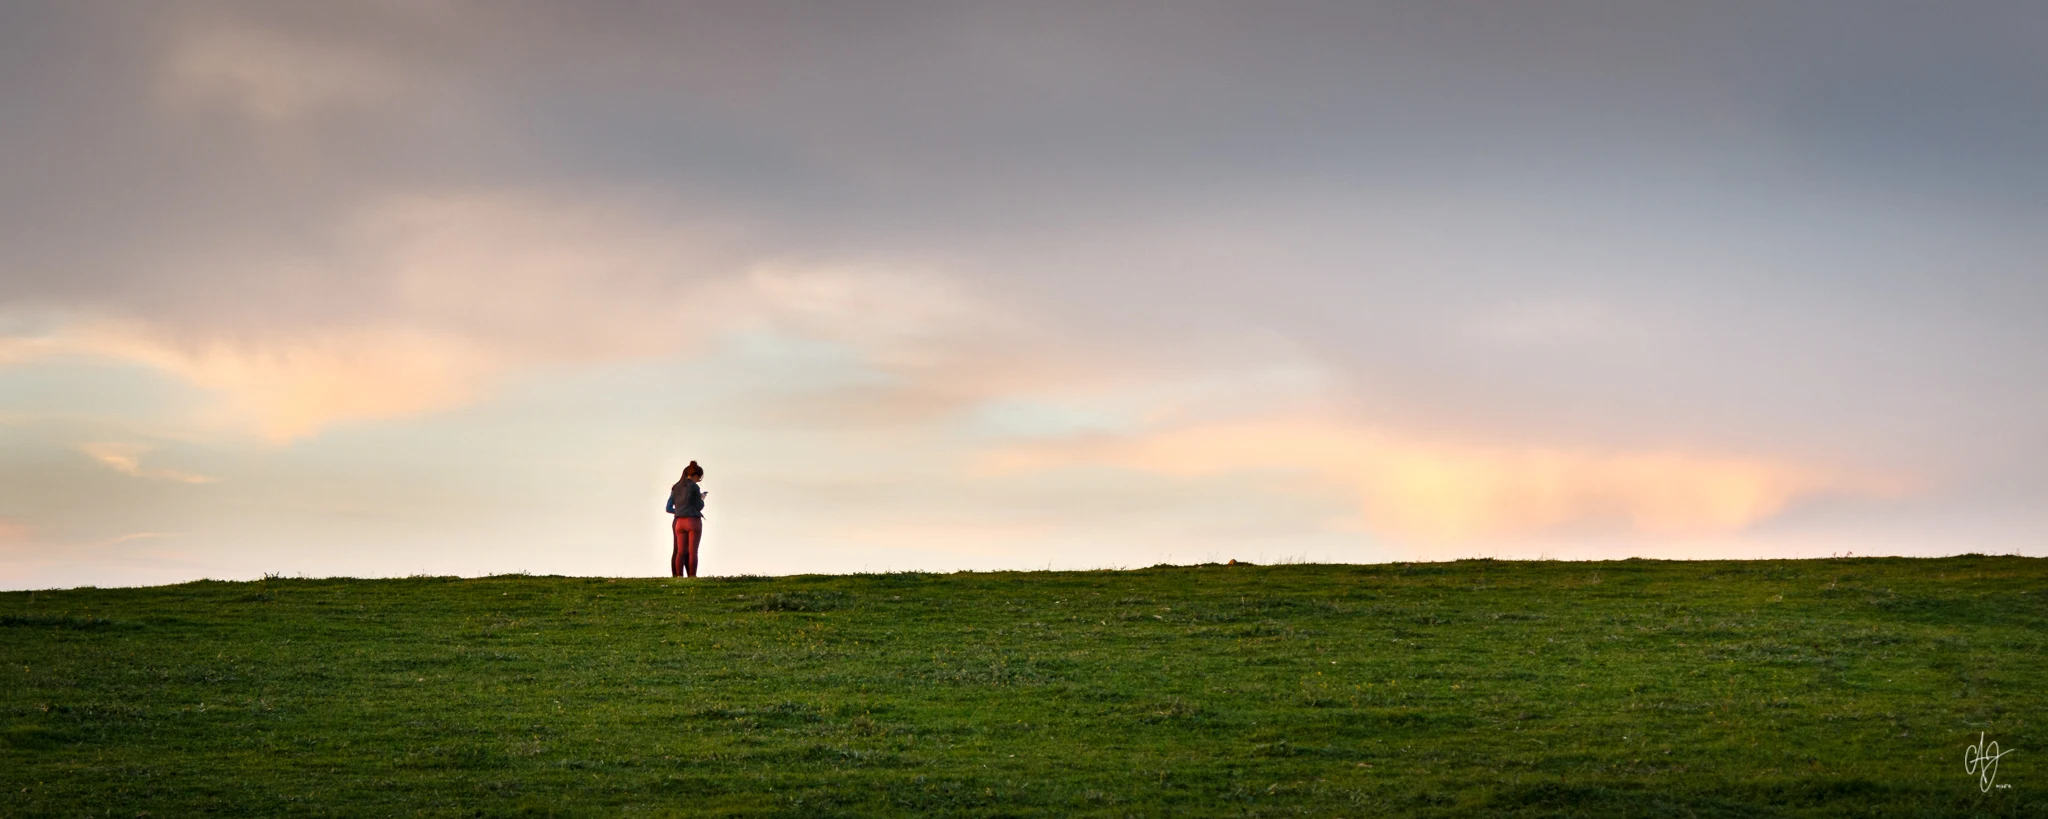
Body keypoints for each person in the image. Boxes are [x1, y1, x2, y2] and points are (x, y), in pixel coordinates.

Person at [666, 461, 707, 577]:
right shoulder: (694, 487)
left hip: (679, 521)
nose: (699, 480)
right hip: (693, 520)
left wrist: (679, 511)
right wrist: (702, 498)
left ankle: (679, 576)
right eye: (699, 478)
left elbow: (668, 508)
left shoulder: (676, 487)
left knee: (680, 552)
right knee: (693, 552)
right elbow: (699, 506)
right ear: (695, 475)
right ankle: (692, 576)